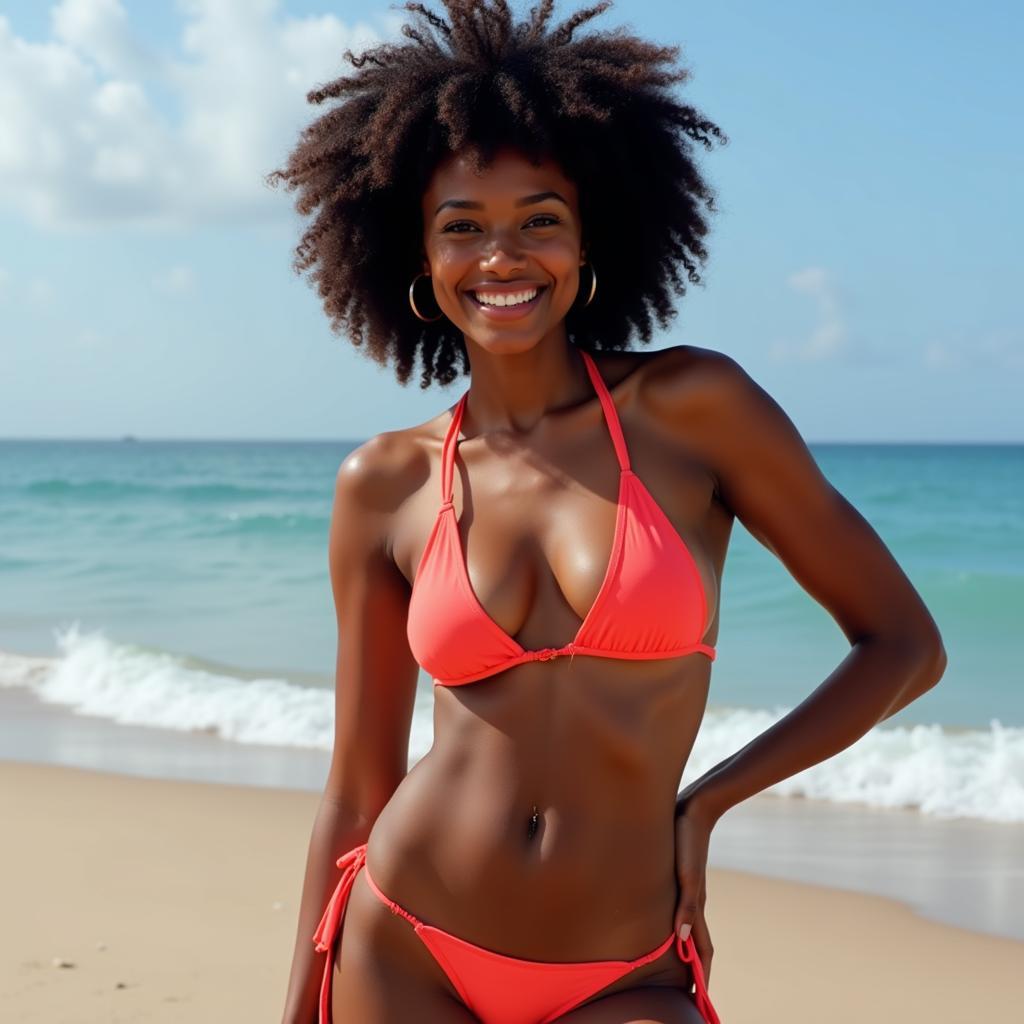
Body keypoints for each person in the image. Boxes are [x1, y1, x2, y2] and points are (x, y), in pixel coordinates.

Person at [270, 2, 947, 1021]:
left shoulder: (694, 411)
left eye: (539, 219)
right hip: (406, 941)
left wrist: (706, 803)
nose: (501, 257)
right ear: (418, 259)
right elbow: (356, 788)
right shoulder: (386, 481)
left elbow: (902, 644)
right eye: (462, 228)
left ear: (592, 241)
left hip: (625, 968)